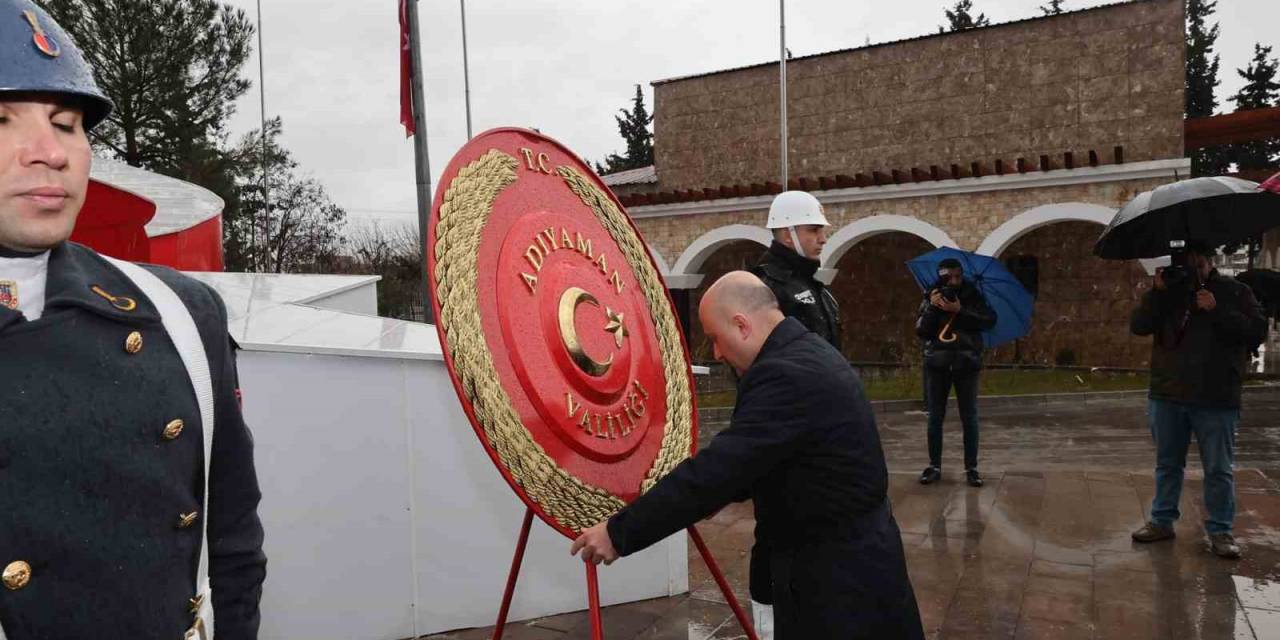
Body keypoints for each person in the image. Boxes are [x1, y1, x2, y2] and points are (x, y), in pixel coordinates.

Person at [0, 1, 266, 637]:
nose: (49, 152)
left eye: (66, 124)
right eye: (2, 120)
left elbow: (231, 544)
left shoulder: (180, 312)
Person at [572, 271, 923, 639]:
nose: (718, 353)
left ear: (741, 325)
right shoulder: (807, 351)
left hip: (839, 582)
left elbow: (719, 471)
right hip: (856, 560)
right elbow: (766, 458)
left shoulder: (786, 376)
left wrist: (618, 533)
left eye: (715, 339)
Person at [1129, 242, 1266, 559]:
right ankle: (1162, 521)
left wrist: (1217, 310)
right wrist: (1158, 293)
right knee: (1167, 465)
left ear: (1209, 260)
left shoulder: (1235, 291)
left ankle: (1220, 530)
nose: (1191, 266)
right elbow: (1139, 325)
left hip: (1216, 396)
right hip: (1168, 393)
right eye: (1185, 261)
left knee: (1218, 468)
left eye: (1196, 260)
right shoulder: (1169, 290)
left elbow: (1256, 332)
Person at [915, 257, 996, 488]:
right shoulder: (931, 295)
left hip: (966, 363)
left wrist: (961, 311)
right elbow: (921, 329)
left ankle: (971, 468)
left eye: (958, 276)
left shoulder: (972, 295)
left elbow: (989, 320)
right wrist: (932, 307)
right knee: (935, 417)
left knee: (969, 417)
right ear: (941, 276)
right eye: (949, 276)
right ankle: (934, 466)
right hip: (937, 364)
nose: (955, 281)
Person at [749, 190, 841, 349]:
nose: (823, 239)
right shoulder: (766, 287)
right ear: (787, 235)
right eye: (813, 230)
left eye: (822, 230)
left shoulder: (815, 286)